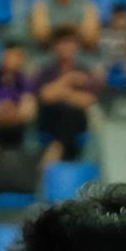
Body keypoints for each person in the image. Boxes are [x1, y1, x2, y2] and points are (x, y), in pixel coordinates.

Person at [34, 27, 97, 163]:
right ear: (55, 47)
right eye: (62, 43)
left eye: (71, 43)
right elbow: (45, 96)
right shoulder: (46, 71)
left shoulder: (84, 69)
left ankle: (55, 150)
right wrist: (69, 79)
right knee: (62, 112)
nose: (67, 47)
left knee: (73, 114)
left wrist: (62, 92)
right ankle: (57, 149)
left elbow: (88, 101)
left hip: (77, 122)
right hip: (50, 120)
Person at [0, 39, 36, 152]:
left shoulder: (26, 82)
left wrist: (12, 113)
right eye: (9, 55)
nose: (12, 60)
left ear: (22, 59)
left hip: (14, 126)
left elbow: (29, 111)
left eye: (17, 56)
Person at [28, 0, 99, 52]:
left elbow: (91, 38)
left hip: (79, 56)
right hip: (49, 54)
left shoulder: (87, 5)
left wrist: (74, 29)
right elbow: (40, 35)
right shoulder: (42, 5)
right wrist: (61, 30)